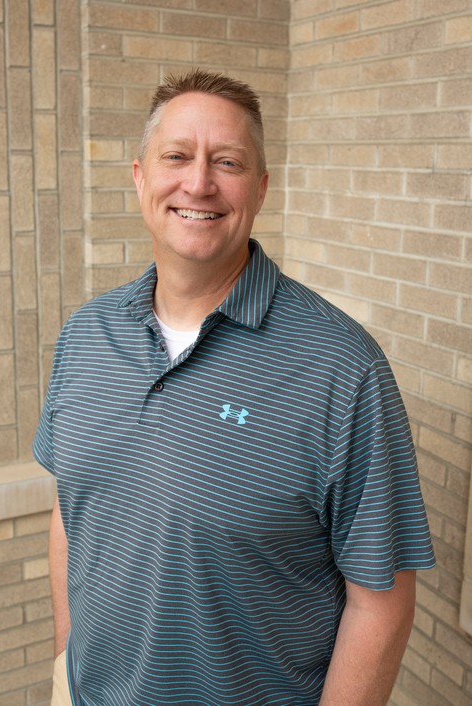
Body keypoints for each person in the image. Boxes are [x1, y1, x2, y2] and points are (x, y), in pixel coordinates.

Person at [34, 68, 435, 706]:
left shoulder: (341, 367)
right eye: (176, 156)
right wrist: (66, 656)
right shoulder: (87, 334)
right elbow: (73, 505)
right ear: (139, 176)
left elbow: (380, 601)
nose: (198, 183)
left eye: (227, 161)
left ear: (261, 187)